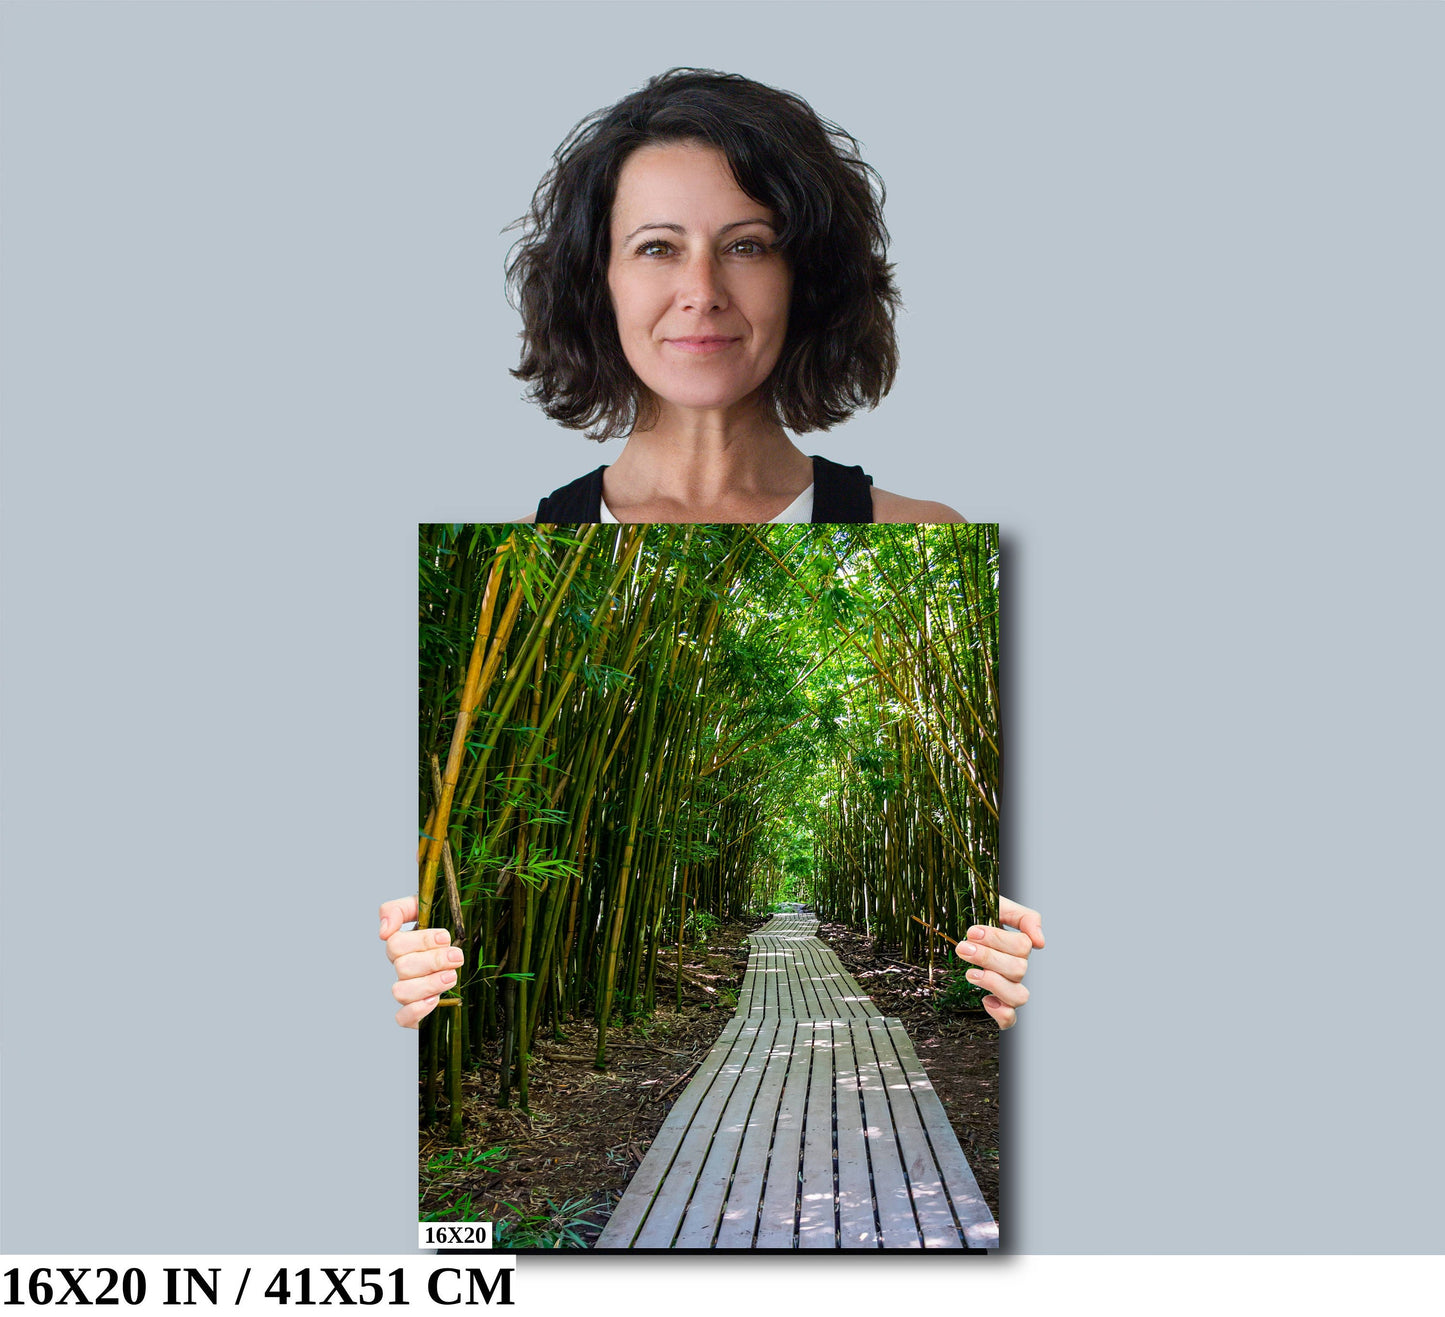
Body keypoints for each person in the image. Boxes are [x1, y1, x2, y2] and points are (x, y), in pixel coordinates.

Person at [387, 68, 1044, 1027]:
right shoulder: (521, 550)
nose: (700, 291)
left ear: (805, 277)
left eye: (748, 246)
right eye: (656, 247)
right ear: (597, 278)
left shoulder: (924, 531)